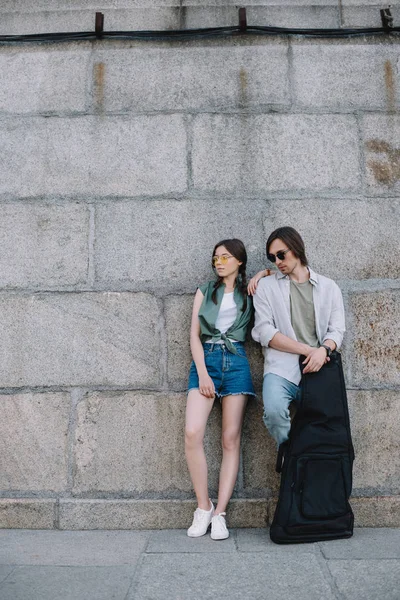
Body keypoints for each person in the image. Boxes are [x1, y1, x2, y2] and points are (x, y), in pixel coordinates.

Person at [185, 239, 255, 540]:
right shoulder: (205, 290)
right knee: (192, 432)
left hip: (237, 361)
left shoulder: (250, 291)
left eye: (226, 257)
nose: (219, 262)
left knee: (230, 438)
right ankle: (203, 506)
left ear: (240, 261)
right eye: (216, 257)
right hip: (207, 362)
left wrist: (262, 276)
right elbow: (194, 336)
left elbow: (278, 278)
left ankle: (220, 513)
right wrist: (203, 374)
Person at [249, 226, 345, 447]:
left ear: (296, 249)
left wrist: (323, 350)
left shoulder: (329, 287)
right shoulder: (266, 287)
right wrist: (308, 350)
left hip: (320, 367)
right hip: (281, 368)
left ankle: (309, 467)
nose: (278, 261)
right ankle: (292, 457)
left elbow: (337, 330)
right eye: (272, 258)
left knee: (326, 426)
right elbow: (264, 332)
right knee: (273, 412)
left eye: (281, 254)